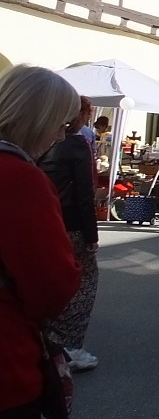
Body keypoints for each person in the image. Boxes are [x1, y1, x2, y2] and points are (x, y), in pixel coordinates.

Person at [0, 65, 82, 419]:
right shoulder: (19, 178)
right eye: (61, 123)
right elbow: (51, 286)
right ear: (39, 120)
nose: (61, 134)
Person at [37, 95, 99, 372]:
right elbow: (85, 193)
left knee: (47, 279)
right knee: (83, 282)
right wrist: (91, 234)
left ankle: (47, 341)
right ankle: (71, 346)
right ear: (83, 115)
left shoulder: (42, 142)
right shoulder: (77, 144)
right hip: (72, 222)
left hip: (45, 219)